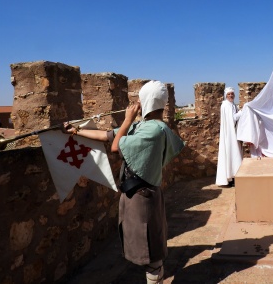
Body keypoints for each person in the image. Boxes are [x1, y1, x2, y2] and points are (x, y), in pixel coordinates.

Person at [63, 80, 184, 284]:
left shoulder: (153, 130)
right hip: (136, 195)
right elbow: (106, 136)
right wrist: (74, 131)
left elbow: (115, 146)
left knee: (150, 250)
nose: (137, 102)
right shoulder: (143, 126)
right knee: (145, 245)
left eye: (140, 98)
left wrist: (127, 120)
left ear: (148, 101)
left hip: (143, 197)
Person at [216, 87, 243, 186]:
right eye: (229, 94)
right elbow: (232, 119)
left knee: (231, 154)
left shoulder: (229, 105)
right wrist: (241, 112)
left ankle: (231, 177)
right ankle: (232, 177)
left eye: (232, 94)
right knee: (233, 153)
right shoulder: (227, 106)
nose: (231, 95)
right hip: (230, 135)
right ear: (225, 95)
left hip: (231, 133)